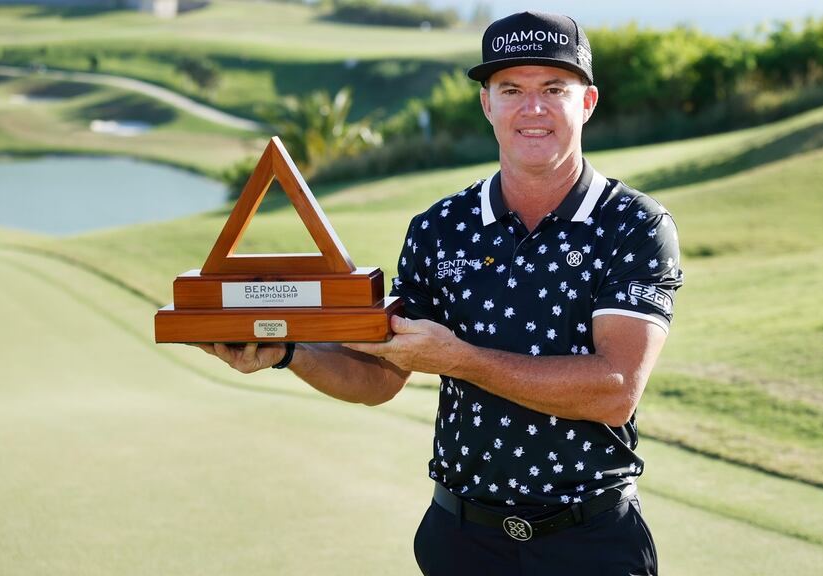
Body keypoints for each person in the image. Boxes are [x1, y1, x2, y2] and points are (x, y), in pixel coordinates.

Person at [197, 10, 682, 576]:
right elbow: (380, 376)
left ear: (588, 102)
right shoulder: (440, 227)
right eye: (511, 89)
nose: (533, 108)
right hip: (461, 541)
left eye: (554, 88)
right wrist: (288, 352)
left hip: (590, 543)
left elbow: (614, 391)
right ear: (487, 104)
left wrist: (459, 359)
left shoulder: (634, 225)